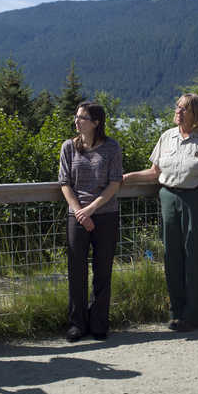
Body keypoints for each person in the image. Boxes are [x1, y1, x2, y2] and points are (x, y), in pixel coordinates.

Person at [122, 94, 198, 332]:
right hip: (168, 197)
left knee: (195, 257)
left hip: (196, 199)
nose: (178, 111)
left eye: (184, 109)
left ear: (196, 114)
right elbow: (155, 171)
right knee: (172, 257)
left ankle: (193, 315)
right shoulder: (167, 137)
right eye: (177, 107)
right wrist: (126, 178)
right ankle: (176, 312)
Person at [59, 102, 123, 342]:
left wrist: (91, 209)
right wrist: (79, 212)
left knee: (102, 269)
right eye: (76, 117)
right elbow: (64, 182)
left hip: (105, 214)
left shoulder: (111, 148)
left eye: (83, 118)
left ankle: (99, 323)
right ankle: (77, 324)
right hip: (76, 216)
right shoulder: (68, 147)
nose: (77, 121)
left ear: (96, 122)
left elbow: (114, 183)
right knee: (76, 270)